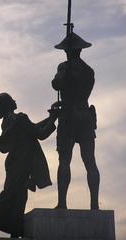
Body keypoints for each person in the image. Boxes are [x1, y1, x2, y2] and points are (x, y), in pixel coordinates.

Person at [0, 93, 57, 238]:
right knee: (8, 196)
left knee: (19, 199)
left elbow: (32, 128)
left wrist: (51, 117)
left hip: (17, 164)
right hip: (20, 164)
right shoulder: (19, 118)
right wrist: (53, 118)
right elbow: (39, 134)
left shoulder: (9, 121)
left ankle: (15, 232)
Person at [52, 32, 100, 210]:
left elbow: (56, 84)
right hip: (85, 116)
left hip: (68, 118)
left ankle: (62, 203)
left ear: (68, 51)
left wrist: (65, 71)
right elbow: (81, 92)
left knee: (64, 161)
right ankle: (94, 204)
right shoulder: (89, 70)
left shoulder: (64, 67)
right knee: (90, 161)